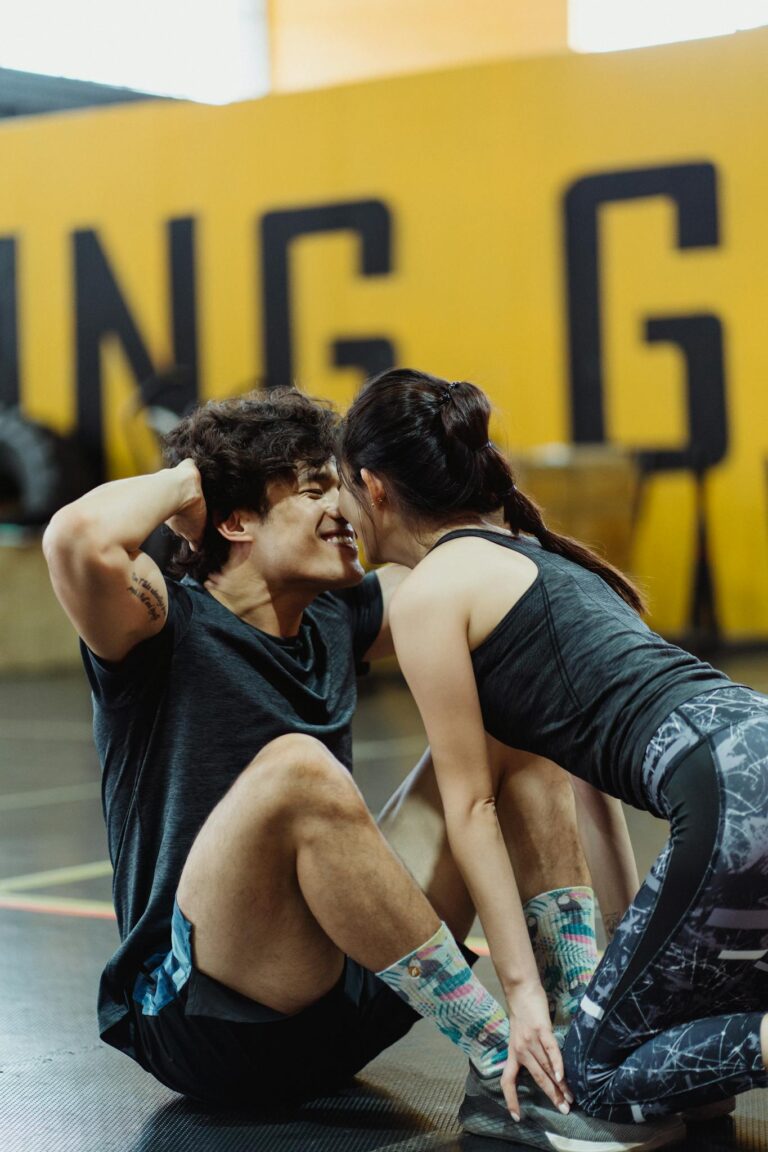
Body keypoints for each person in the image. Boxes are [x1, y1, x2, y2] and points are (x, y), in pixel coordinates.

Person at [44, 387, 615, 1127]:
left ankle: (581, 1039)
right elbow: (73, 540)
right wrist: (193, 479)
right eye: (314, 487)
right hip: (204, 1022)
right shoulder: (161, 625)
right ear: (237, 518)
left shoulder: (338, 617)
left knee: (510, 729)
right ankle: (508, 1059)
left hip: (345, 1004)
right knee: (299, 769)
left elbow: (483, 564)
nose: (341, 507)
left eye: (341, 486)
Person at [337, 366, 768, 1148]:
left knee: (592, 1080)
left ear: (372, 486)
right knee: (664, 1055)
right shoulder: (543, 558)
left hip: (731, 792)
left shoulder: (433, 592)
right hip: (748, 747)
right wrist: (625, 927)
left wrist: (522, 993)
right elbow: (589, 781)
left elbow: (471, 807)